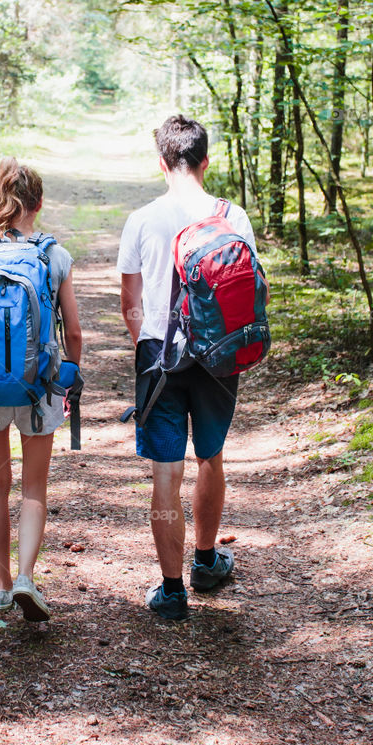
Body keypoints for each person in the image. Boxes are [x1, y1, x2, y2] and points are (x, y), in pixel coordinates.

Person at [117, 114, 257, 620]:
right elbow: (250, 294)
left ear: (162, 163)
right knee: (211, 458)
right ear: (205, 160)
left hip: (159, 356)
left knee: (165, 471)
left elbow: (129, 299)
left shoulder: (142, 219)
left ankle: (172, 591)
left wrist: (146, 344)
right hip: (219, 355)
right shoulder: (232, 216)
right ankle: (206, 561)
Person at [0, 158, 82, 623]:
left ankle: (2, 588)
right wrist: (70, 374)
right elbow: (74, 329)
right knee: (34, 487)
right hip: (40, 386)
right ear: (39, 203)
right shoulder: (54, 256)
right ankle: (28, 576)